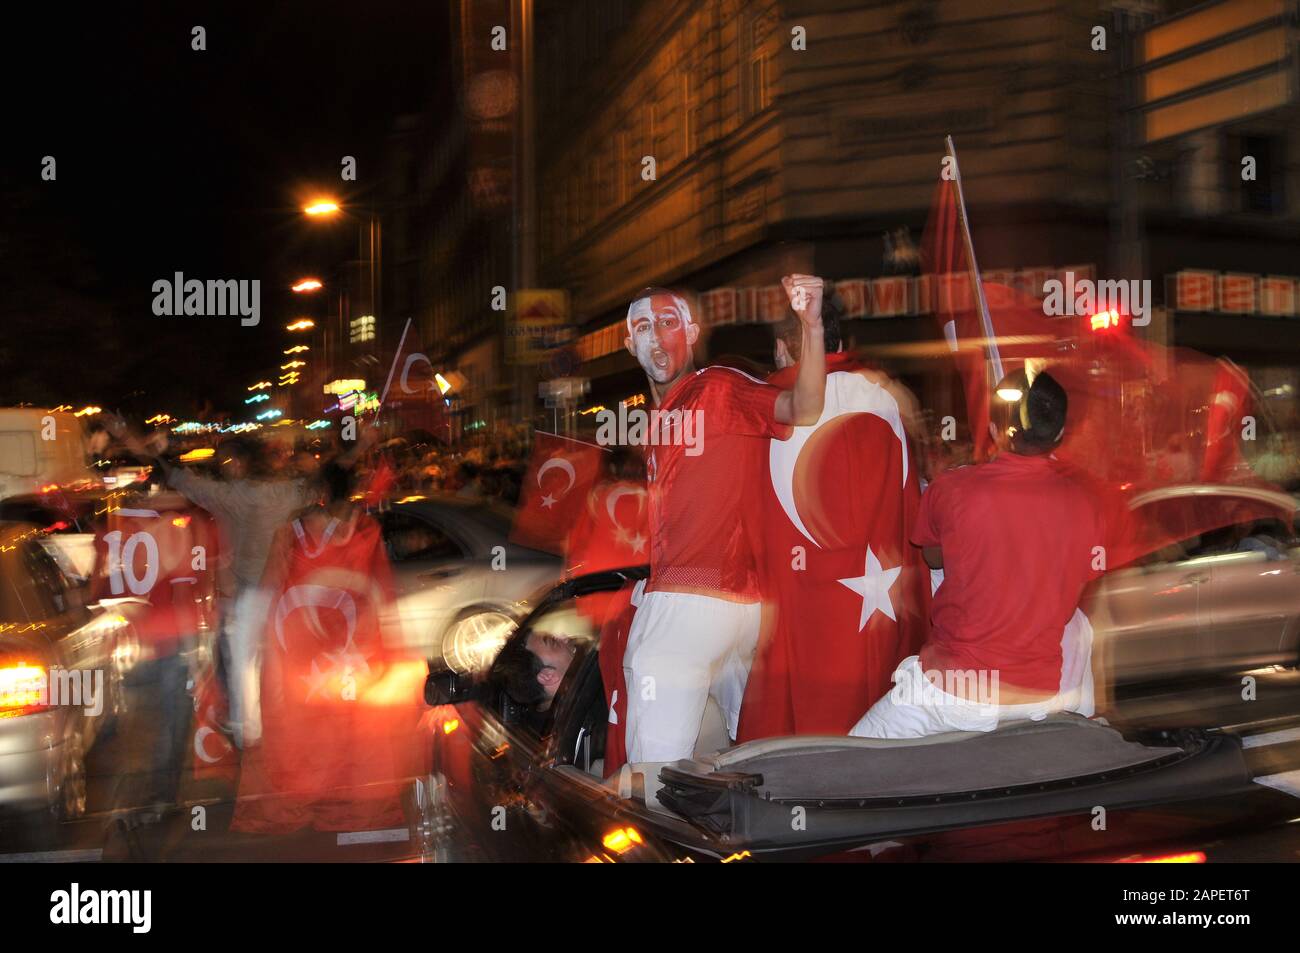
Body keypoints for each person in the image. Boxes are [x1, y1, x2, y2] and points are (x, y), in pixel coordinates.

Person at [619, 278, 826, 764]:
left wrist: (811, 326)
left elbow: (804, 407)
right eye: (643, 328)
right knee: (740, 753)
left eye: (667, 323)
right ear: (630, 345)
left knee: (653, 775)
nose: (655, 338)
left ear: (692, 332)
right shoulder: (658, 419)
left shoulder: (716, 387)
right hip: (732, 607)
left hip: (689, 605)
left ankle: (655, 827)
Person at [850, 368, 1104, 738]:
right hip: (1038, 696)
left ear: (996, 430)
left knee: (848, 758)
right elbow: (1077, 584)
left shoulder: (951, 489)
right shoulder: (1086, 504)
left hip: (953, 693)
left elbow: (934, 558)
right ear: (1061, 434)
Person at [737, 294, 930, 741]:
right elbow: (911, 513)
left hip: (791, 610)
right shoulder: (888, 398)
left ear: (786, 347)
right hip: (879, 605)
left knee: (787, 734)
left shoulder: (769, 403)